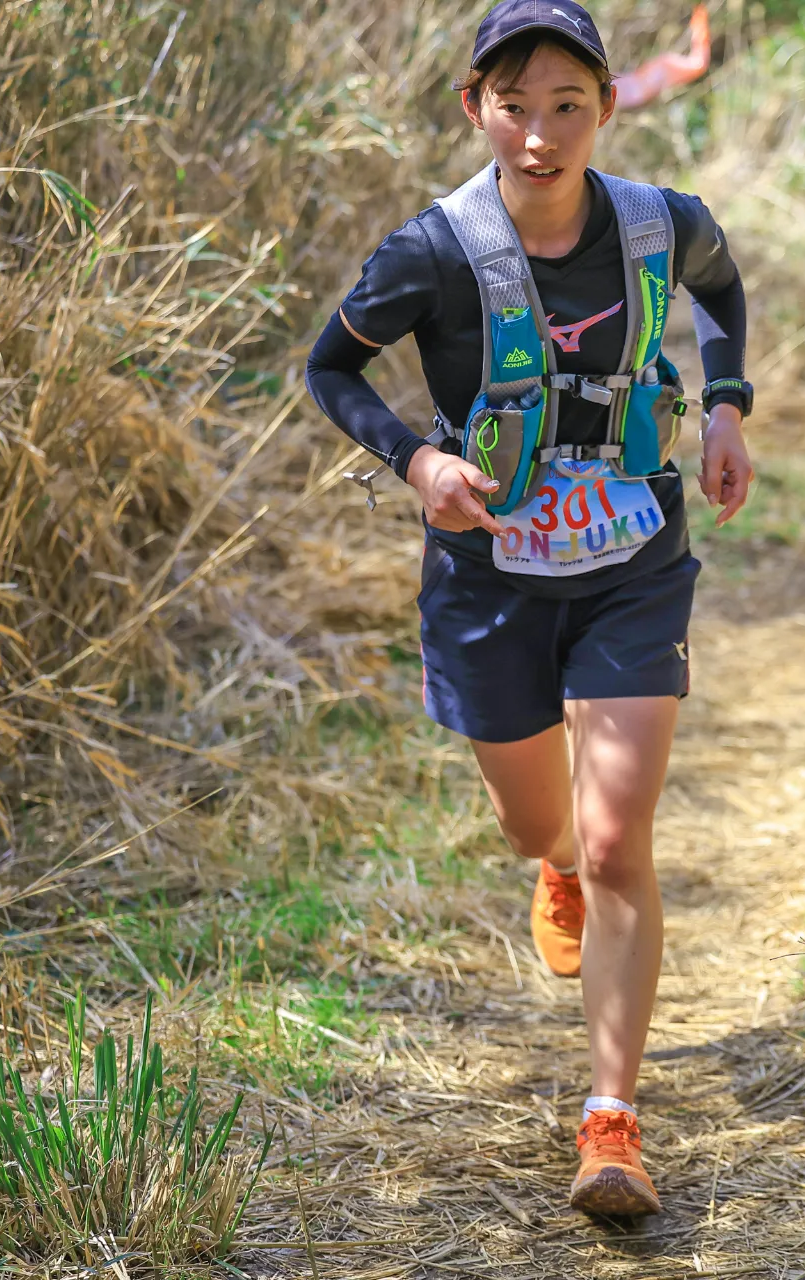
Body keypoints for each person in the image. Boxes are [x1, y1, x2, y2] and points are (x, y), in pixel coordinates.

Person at [305, 0, 754, 1218]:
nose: (542, 135)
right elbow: (329, 365)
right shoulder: (433, 252)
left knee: (618, 841)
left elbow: (721, 286)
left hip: (632, 558)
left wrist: (726, 405)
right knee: (539, 829)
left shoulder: (662, 224)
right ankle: (550, 864)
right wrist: (416, 460)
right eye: (515, 107)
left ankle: (612, 1123)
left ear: (609, 105)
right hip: (490, 575)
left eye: (568, 105)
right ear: (476, 108)